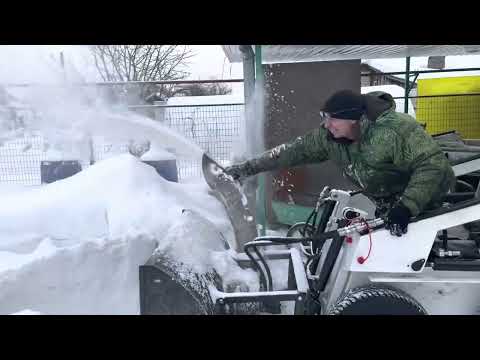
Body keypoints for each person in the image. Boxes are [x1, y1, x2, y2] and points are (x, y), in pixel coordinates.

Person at [224, 90, 456, 236]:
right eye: (324, 118)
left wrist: (407, 207)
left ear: (353, 118)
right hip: (390, 203)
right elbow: (290, 152)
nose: (326, 125)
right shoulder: (330, 138)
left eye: (332, 119)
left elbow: (432, 165)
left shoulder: (393, 131)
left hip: (430, 202)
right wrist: (245, 169)